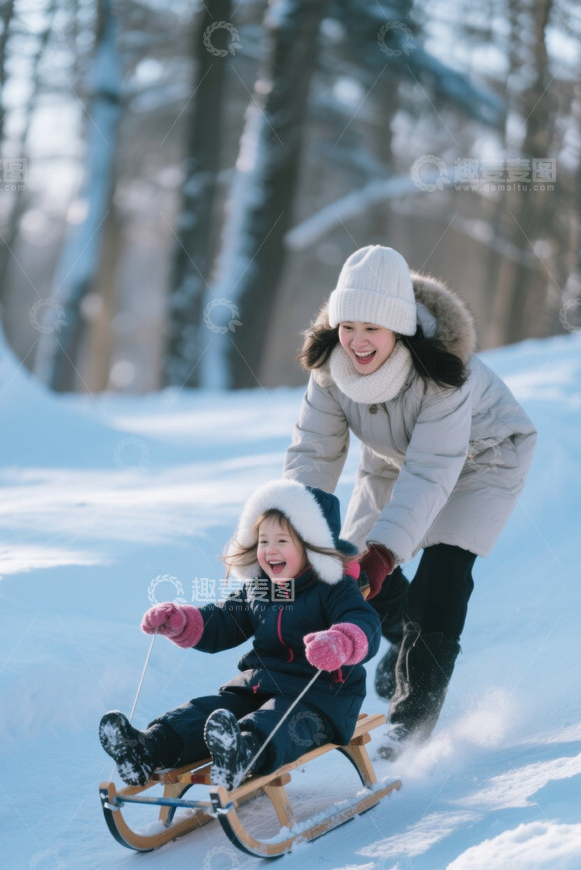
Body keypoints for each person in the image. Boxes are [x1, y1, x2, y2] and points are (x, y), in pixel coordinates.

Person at [284, 244, 537, 759]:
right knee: (354, 573)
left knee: (440, 578)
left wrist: (386, 550)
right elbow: (313, 452)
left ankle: (411, 724)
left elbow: (431, 471)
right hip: (394, 460)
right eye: (347, 325)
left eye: (372, 329)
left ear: (399, 328)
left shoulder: (445, 373)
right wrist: (294, 531)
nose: (357, 341)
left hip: (482, 462)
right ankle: (397, 638)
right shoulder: (331, 369)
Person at [99, 479, 381, 791]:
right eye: (263, 541)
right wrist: (181, 621)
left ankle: (242, 752)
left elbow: (363, 620)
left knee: (278, 719)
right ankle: (149, 748)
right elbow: (223, 620)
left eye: (282, 541)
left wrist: (341, 641)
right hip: (258, 685)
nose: (270, 550)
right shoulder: (259, 589)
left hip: (322, 696)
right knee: (209, 711)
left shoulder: (335, 589)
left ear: (311, 545)